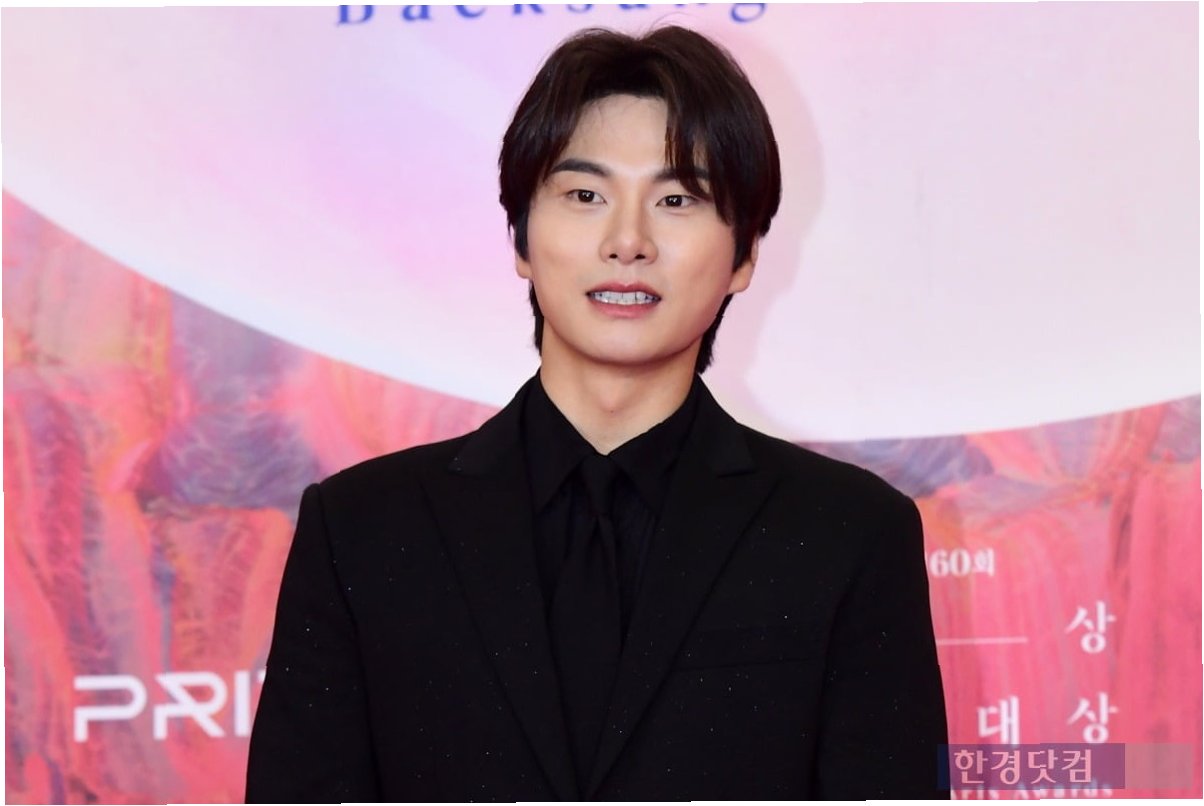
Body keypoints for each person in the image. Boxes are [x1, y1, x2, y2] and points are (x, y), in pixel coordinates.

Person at [246, 25, 948, 802]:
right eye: (585, 196)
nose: (627, 241)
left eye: (677, 200)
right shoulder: (362, 532)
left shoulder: (848, 534)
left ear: (745, 254)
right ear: (521, 236)